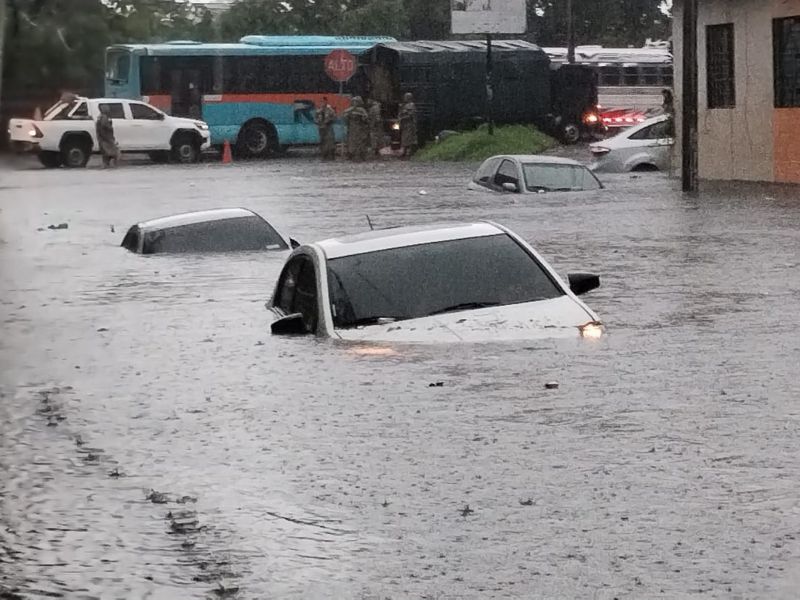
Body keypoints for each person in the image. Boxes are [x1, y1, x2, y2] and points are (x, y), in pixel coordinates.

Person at [342, 96, 369, 162]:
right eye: (353, 101)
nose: (354, 103)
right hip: (352, 128)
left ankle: (360, 155)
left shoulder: (362, 109)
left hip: (360, 128)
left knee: (359, 142)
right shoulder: (349, 109)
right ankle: (352, 154)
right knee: (351, 142)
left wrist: (361, 116)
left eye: (356, 102)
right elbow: (344, 116)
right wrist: (348, 115)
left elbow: (366, 118)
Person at [398, 92, 418, 158]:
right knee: (405, 138)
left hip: (409, 124)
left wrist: (402, 118)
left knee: (409, 138)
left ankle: (409, 153)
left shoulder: (411, 105)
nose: (404, 98)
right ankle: (405, 152)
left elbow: (410, 115)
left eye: (405, 97)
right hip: (405, 125)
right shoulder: (405, 105)